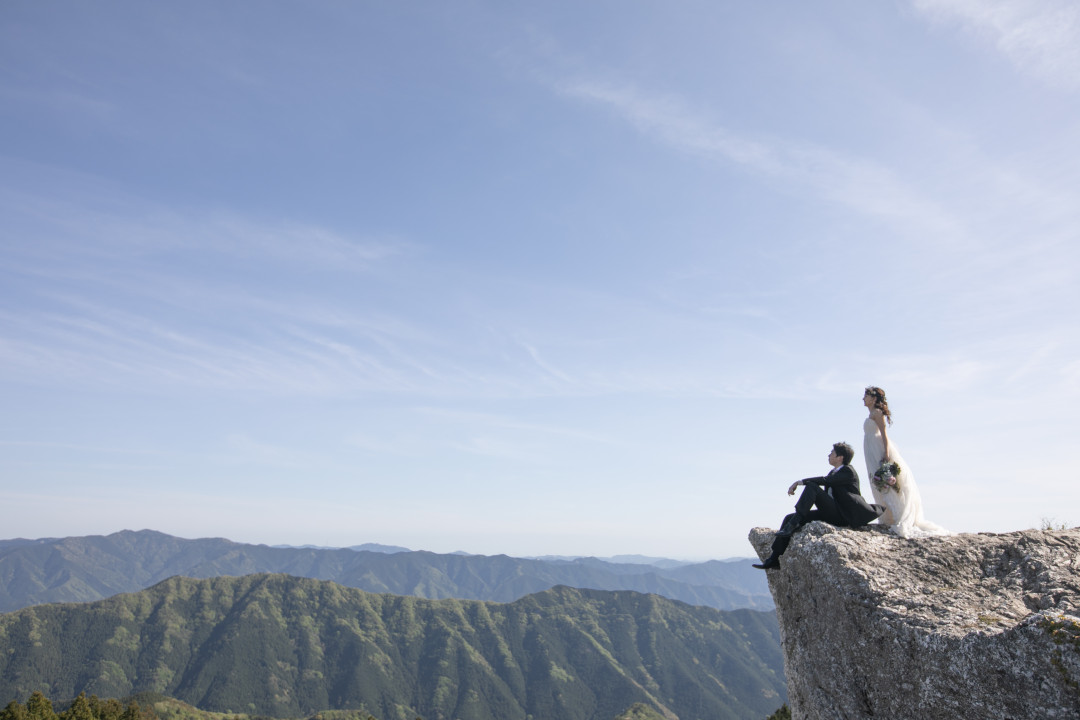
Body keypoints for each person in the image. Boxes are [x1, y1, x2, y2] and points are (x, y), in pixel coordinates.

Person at [753, 442, 884, 570]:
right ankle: (774, 559)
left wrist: (800, 482)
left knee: (812, 487)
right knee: (788, 518)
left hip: (843, 515)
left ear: (840, 457)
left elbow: (825, 481)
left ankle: (795, 522)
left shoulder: (848, 471)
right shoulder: (834, 472)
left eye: (832, 453)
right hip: (832, 512)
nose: (829, 455)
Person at [862, 386, 949, 538]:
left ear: (873, 398)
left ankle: (897, 515)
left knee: (885, 482)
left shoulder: (877, 413)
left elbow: (884, 435)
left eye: (866, 396)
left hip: (878, 449)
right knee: (875, 482)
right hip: (870, 450)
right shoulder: (871, 414)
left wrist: (886, 454)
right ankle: (886, 516)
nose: (863, 398)